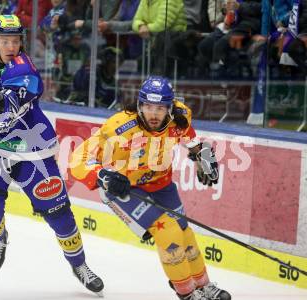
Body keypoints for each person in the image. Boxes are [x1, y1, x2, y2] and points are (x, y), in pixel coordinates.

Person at [0, 15, 104, 295]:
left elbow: (7, 108)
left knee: (60, 215)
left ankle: (80, 265)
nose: (11, 45)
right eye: (5, 40)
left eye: (15, 40)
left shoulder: (25, 68)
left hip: (32, 151)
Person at [70, 76, 231, 300]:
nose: (153, 113)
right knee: (168, 231)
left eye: (160, 108)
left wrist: (201, 154)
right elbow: (79, 158)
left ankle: (203, 285)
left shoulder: (180, 116)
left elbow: (188, 137)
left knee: (185, 232)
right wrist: (103, 176)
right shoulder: (119, 127)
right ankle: (186, 293)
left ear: (170, 107)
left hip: (161, 183)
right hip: (126, 189)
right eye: (148, 106)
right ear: (139, 105)